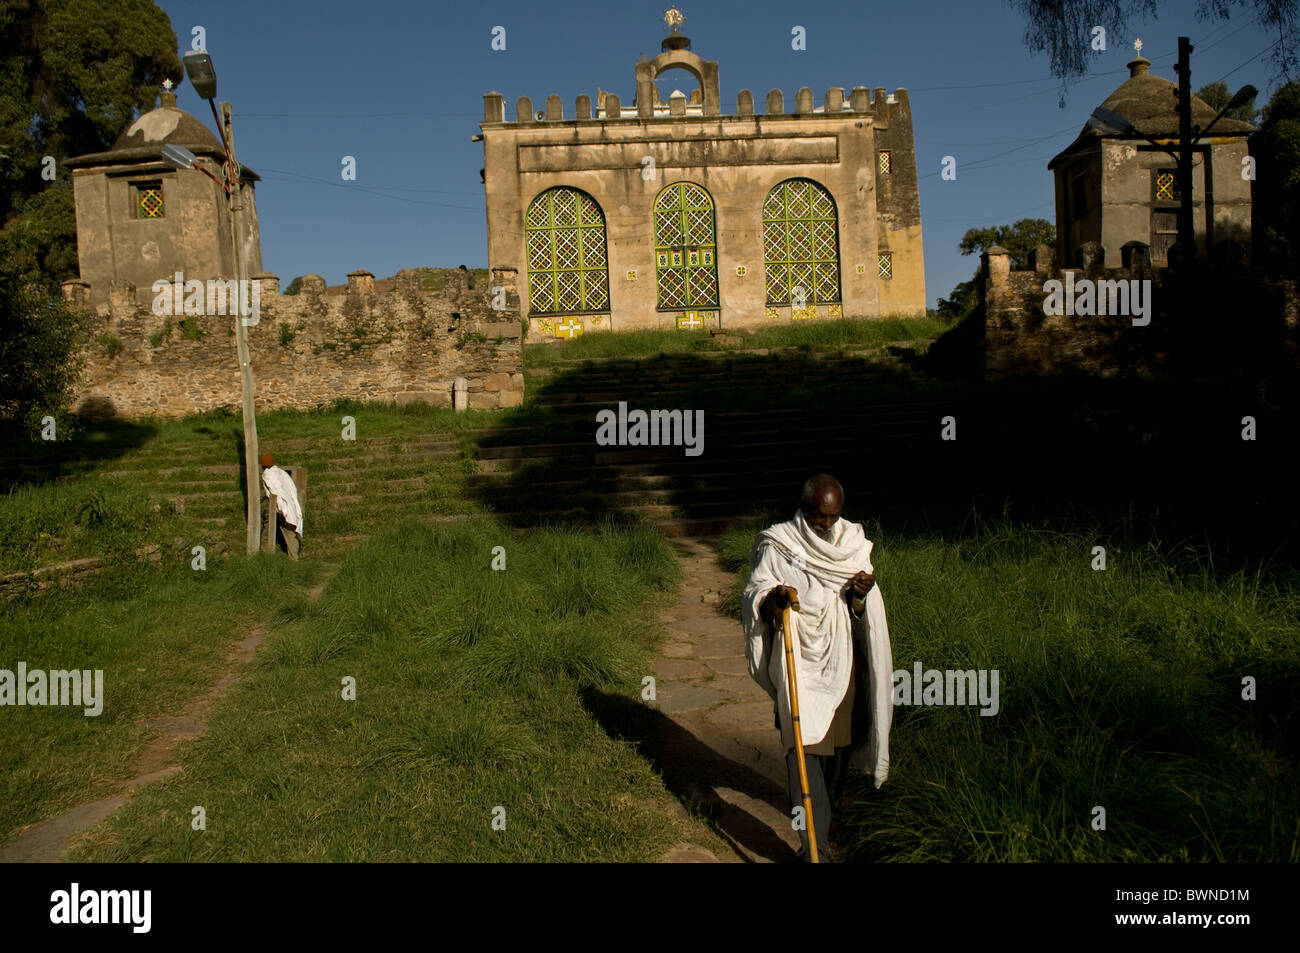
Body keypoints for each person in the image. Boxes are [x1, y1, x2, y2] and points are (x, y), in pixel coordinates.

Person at [741, 474, 893, 862]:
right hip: (800, 664)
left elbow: (863, 611)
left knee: (836, 755)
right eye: (818, 517)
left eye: (832, 517)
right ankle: (813, 848)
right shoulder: (781, 543)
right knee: (802, 751)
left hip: (842, 663)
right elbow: (756, 590)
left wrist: (860, 596)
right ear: (805, 508)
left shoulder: (853, 543)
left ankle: (825, 819)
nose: (825, 525)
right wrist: (774, 599)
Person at [259, 453, 302, 560]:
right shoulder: (281, 472)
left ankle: (267, 555)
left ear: (262, 465)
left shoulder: (267, 474)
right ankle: (294, 557)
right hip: (291, 505)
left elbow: (275, 490)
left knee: (279, 533)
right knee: (290, 534)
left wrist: (281, 508)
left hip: (281, 508)